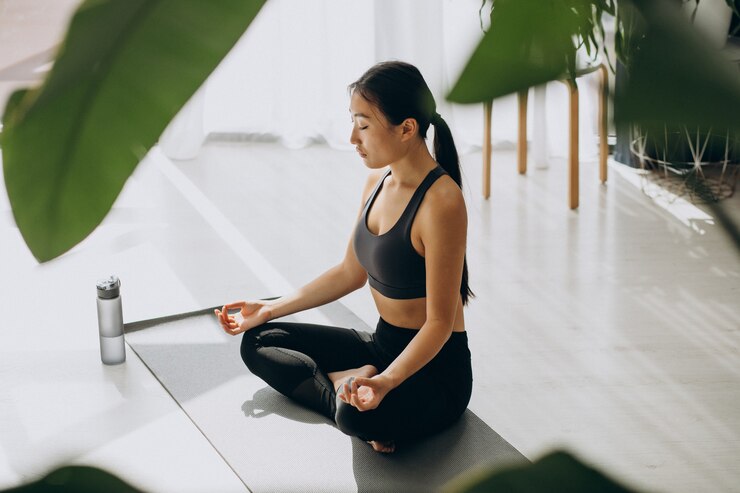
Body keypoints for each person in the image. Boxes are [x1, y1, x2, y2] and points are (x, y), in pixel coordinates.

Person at [215, 61, 473, 454]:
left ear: (407, 128)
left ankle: (349, 393)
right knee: (259, 341)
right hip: (382, 344)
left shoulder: (442, 202)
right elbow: (349, 272)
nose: (353, 137)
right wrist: (269, 309)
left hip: (435, 371)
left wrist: (385, 382)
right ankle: (344, 384)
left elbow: (438, 325)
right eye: (353, 122)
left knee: (357, 417)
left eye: (364, 125)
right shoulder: (377, 181)